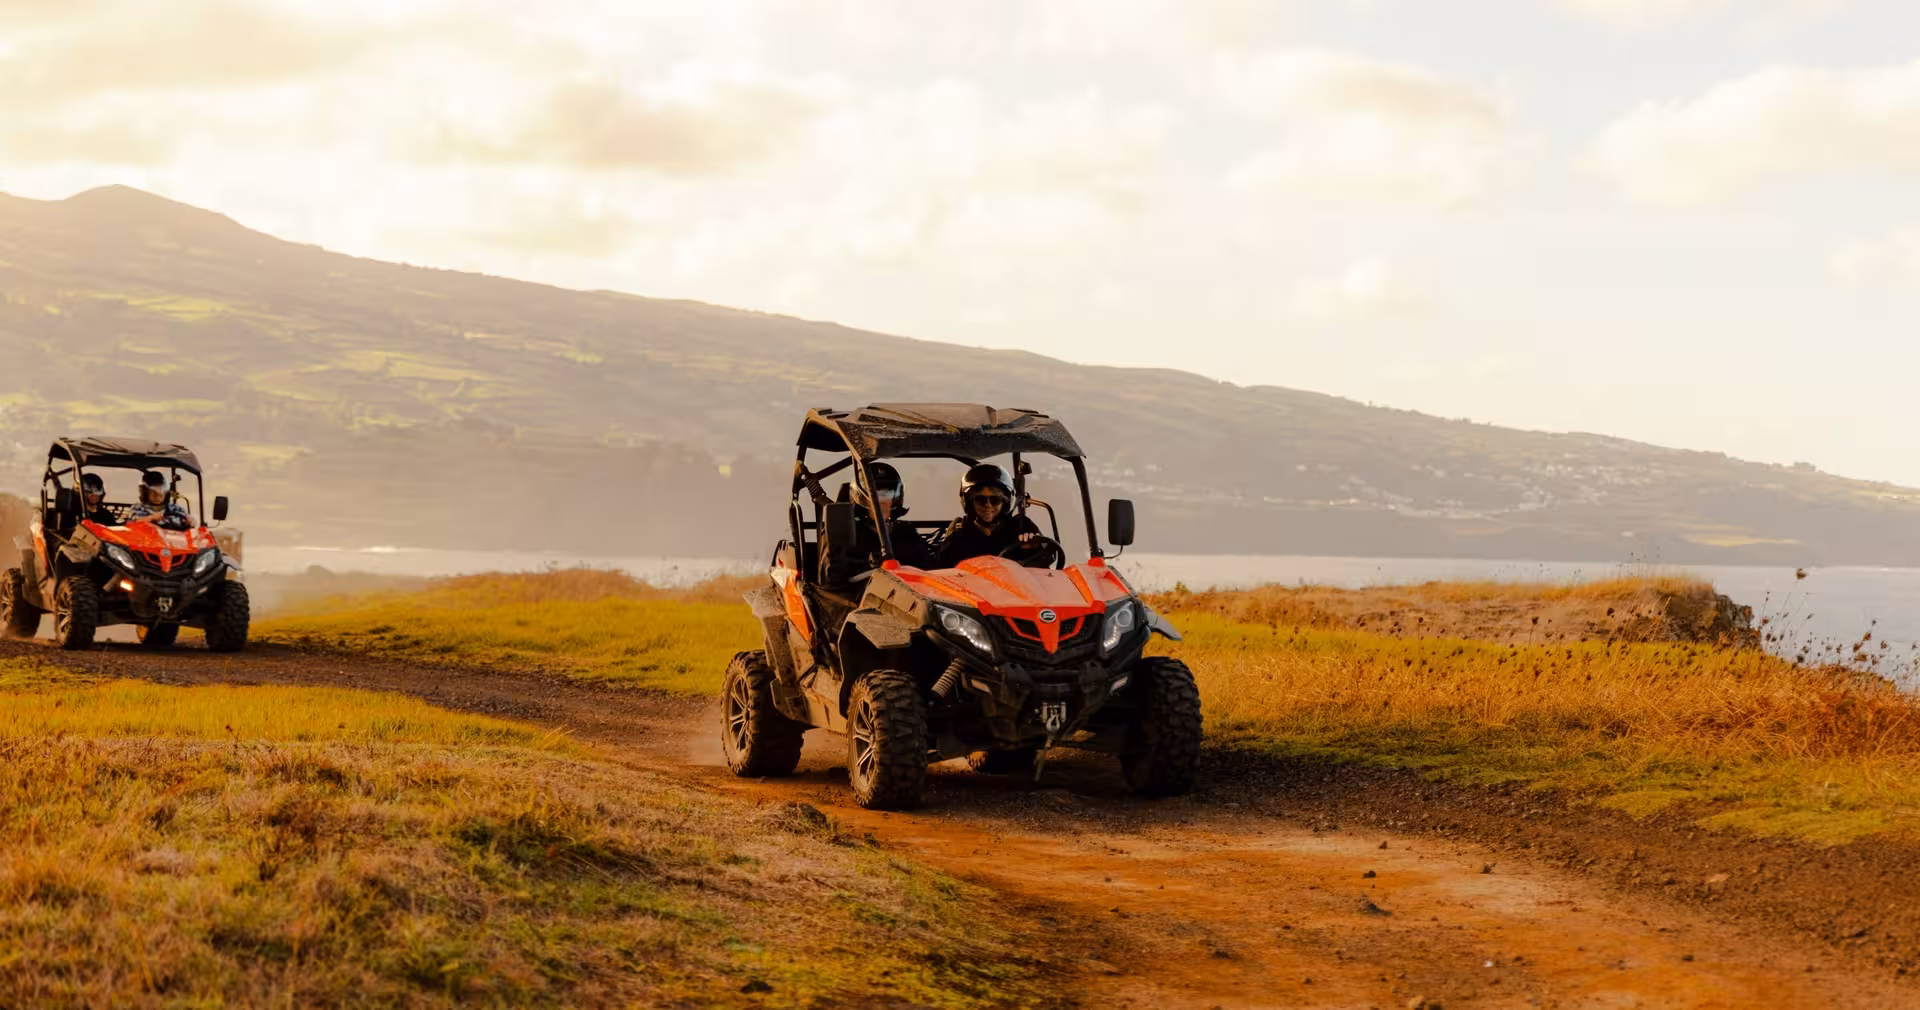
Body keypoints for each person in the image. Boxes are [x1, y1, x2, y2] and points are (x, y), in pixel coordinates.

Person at [817, 461, 934, 586]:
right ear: (861, 498)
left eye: (887, 494)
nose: (881, 502)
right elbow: (831, 580)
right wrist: (867, 565)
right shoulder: (845, 533)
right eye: (875, 495)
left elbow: (931, 573)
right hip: (862, 600)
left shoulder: (906, 533)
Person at [935, 463, 1046, 567]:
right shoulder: (958, 538)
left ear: (1005, 502)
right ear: (969, 503)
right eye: (980, 500)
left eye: (995, 500)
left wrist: (1033, 548)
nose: (988, 505)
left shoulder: (1021, 526)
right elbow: (943, 571)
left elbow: (1048, 559)